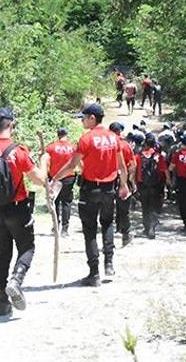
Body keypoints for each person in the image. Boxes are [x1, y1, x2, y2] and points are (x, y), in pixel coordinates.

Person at [0, 108, 49, 316]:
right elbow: (39, 180)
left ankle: (1, 302)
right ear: (11, 125)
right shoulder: (19, 151)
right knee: (27, 247)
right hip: (18, 209)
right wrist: (44, 163)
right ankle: (16, 281)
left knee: (3, 252)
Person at [51, 103, 129, 287]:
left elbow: (72, 165)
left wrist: (55, 178)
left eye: (84, 117)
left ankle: (94, 273)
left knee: (90, 229)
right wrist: (124, 185)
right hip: (109, 188)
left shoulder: (86, 139)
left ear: (92, 118)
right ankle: (109, 263)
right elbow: (122, 167)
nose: (82, 121)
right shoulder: (114, 138)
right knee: (108, 222)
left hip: (90, 189)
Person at [41, 128, 76, 237]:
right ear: (66, 134)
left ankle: (56, 225)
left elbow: (45, 161)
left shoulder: (51, 147)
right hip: (69, 177)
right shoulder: (73, 147)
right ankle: (65, 229)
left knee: (55, 201)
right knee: (66, 202)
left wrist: (46, 175)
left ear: (58, 135)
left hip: (54, 177)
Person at [135, 134, 170, 239]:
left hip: (142, 184)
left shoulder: (139, 156)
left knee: (145, 206)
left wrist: (133, 183)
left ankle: (146, 227)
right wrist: (168, 180)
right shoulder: (159, 156)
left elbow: (133, 170)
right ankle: (152, 227)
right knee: (153, 205)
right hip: (156, 184)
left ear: (145, 144)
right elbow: (165, 170)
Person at [110, 122, 136, 247]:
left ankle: (108, 239)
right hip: (122, 179)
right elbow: (133, 165)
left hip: (107, 180)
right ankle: (125, 235)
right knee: (124, 209)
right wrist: (130, 180)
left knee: (107, 209)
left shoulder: (105, 145)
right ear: (120, 132)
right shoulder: (126, 146)